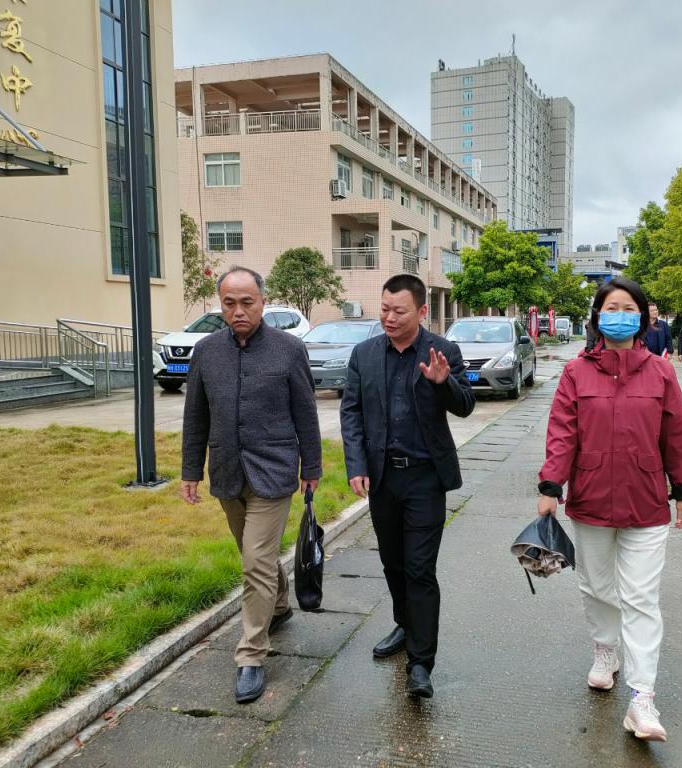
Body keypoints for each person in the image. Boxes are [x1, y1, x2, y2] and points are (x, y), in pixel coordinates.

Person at [537, 277, 682, 743]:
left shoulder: (661, 373)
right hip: (590, 499)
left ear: (642, 318)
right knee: (597, 587)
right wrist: (550, 485)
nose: (620, 315)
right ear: (598, 317)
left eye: (629, 308)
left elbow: (675, 434)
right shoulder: (575, 373)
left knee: (642, 598)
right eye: (611, 307)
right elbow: (562, 432)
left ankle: (642, 699)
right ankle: (606, 651)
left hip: (646, 501)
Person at [181, 266, 322, 704]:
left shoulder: (289, 349)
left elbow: (306, 412)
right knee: (254, 555)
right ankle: (278, 605)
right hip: (226, 470)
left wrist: (312, 466)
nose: (238, 311)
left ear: (263, 302)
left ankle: (251, 656)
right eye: (229, 303)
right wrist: (191, 470)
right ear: (220, 305)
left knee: (255, 561)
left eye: (247, 302)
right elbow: (196, 416)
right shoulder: (205, 352)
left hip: (273, 471)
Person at [340, 274, 476, 699]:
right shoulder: (364, 354)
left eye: (399, 311)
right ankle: (404, 624)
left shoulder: (443, 352)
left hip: (424, 478)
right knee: (393, 563)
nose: (389, 318)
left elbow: (466, 405)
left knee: (419, 569)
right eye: (384, 309)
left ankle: (420, 663)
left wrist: (443, 383)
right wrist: (356, 464)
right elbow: (351, 412)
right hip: (383, 478)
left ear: (421, 311)